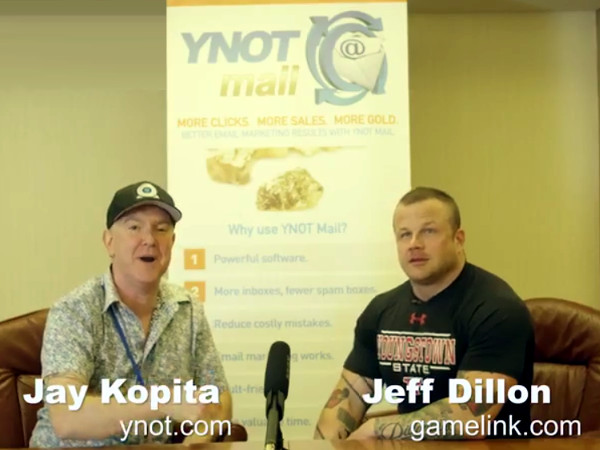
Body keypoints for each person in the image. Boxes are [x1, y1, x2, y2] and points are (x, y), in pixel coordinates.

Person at [314, 187, 534, 441]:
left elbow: (470, 417)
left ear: (458, 239)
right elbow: (347, 400)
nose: (414, 244)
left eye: (428, 231)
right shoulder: (381, 310)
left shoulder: (497, 309)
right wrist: (322, 446)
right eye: (404, 234)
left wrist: (376, 428)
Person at [30, 181, 231, 447]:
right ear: (109, 242)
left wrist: (194, 442)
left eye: (161, 229)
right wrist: (163, 403)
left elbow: (219, 399)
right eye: (134, 227)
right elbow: (67, 417)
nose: (149, 239)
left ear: (172, 242)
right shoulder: (75, 311)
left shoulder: (188, 308)